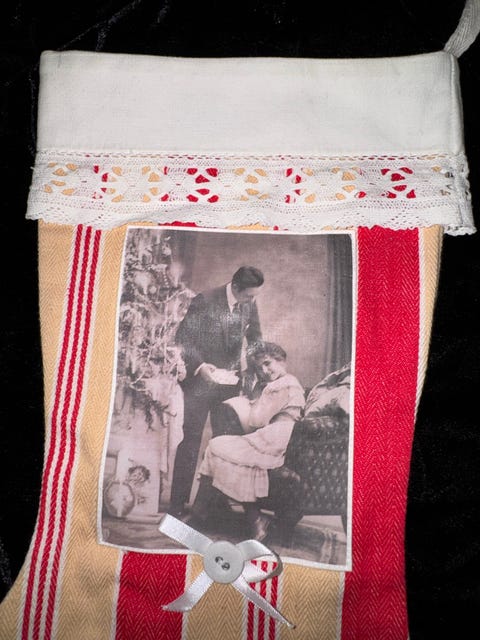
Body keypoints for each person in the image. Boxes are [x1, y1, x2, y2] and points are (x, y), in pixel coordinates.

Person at [168, 265, 264, 516]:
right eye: (248, 296)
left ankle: (211, 506)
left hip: (229, 384)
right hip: (200, 383)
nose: (251, 301)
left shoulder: (249, 303)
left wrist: (252, 371)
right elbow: (184, 339)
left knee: (225, 443)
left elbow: (256, 341)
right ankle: (177, 505)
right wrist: (200, 366)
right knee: (191, 440)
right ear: (236, 287)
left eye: (253, 296)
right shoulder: (206, 300)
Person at [191, 341, 305, 540]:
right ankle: (207, 512)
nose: (264, 371)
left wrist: (257, 397)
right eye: (260, 368)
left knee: (217, 447)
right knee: (221, 451)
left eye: (268, 363)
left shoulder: (279, 386)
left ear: (281, 360)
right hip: (282, 435)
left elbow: (256, 421)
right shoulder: (291, 382)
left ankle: (251, 519)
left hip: (275, 437)